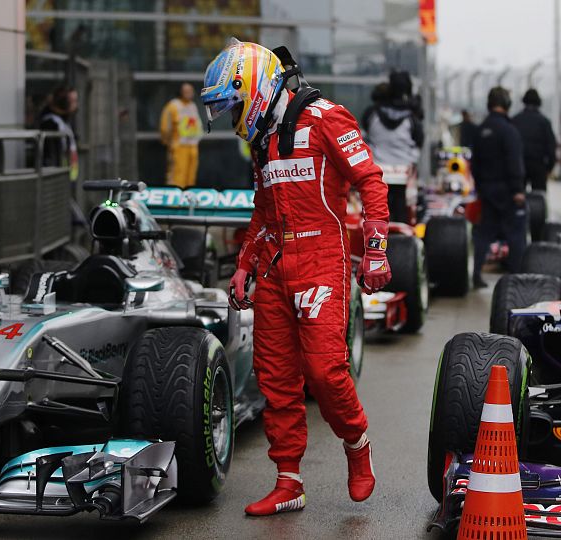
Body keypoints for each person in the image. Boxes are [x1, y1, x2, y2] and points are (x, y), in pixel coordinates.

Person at [201, 39, 390, 515]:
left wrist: (376, 251)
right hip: (274, 265)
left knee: (325, 372)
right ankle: (289, 482)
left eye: (234, 106)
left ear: (253, 88)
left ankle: (356, 444)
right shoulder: (262, 139)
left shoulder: (327, 117)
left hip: (322, 257)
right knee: (275, 378)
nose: (234, 117)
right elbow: (264, 210)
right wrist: (244, 264)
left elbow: (371, 181)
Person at [471, 87, 526, 288]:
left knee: (483, 234)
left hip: (487, 191)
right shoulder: (509, 130)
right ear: (506, 104)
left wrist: (480, 187)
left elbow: (474, 164)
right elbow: (514, 162)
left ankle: (476, 274)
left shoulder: (480, 130)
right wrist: (518, 189)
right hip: (508, 191)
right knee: (516, 233)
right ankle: (516, 277)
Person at [365, 70, 424, 166]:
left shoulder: (373, 113)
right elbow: (419, 140)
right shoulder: (412, 116)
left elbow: (366, 132)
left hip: (377, 164)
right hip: (405, 164)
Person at [512, 89, 556, 192]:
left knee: (518, 195)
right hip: (538, 166)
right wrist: (549, 168)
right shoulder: (544, 122)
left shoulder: (515, 120)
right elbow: (551, 147)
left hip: (519, 165)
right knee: (539, 196)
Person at [159, 82, 203, 188]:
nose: (189, 93)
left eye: (191, 91)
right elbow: (165, 127)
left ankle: (188, 195)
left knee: (190, 177)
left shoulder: (192, 106)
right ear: (180, 92)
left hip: (192, 146)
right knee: (177, 175)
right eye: (186, 91)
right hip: (179, 147)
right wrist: (170, 143)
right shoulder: (173, 106)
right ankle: (175, 196)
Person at [40, 85, 79, 181]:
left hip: (68, 174)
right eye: (71, 101)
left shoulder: (66, 121)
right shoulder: (51, 122)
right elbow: (52, 152)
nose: (75, 104)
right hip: (56, 175)